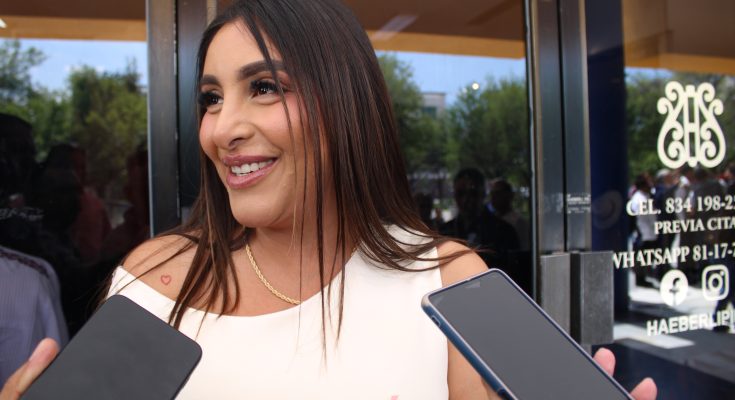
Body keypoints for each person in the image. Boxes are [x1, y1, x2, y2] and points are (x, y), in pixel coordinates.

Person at [1, 1, 656, 399]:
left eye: (264, 87)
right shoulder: (152, 278)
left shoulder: (446, 280)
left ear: (345, 105)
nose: (222, 129)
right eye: (211, 98)